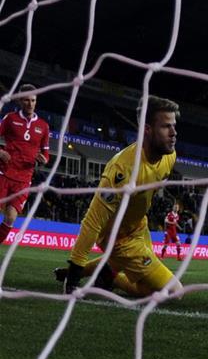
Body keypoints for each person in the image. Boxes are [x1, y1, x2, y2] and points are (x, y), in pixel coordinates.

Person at [57, 96, 183, 296]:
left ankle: (107, 275)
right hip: (118, 239)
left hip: (140, 228)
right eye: (166, 127)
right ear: (147, 130)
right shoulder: (121, 171)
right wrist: (74, 274)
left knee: (145, 290)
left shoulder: (170, 155)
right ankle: (110, 276)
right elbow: (93, 222)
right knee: (174, 291)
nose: (174, 133)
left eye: (174, 126)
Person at [0, 84, 51, 242]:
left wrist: (44, 160)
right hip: (4, 173)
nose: (30, 104)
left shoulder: (43, 126)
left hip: (24, 179)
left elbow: (46, 154)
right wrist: (0, 152)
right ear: (20, 101)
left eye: (33, 100)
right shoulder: (10, 119)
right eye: (27, 100)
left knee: (10, 218)